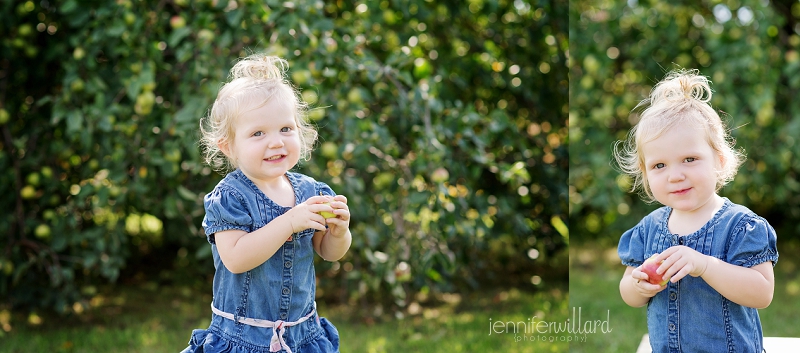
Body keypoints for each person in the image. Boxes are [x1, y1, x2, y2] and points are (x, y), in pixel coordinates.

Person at [182, 54, 351, 353]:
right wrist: (288, 222)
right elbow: (235, 258)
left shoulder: (311, 191)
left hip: (301, 334)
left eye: (285, 129)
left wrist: (338, 233)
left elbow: (328, 253)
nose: (276, 142)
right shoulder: (231, 196)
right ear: (229, 146)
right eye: (258, 133)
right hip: (244, 337)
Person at [614, 69, 778, 352]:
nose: (675, 175)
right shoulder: (648, 228)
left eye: (689, 159)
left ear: (720, 159)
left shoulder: (741, 225)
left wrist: (704, 265)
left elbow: (762, 292)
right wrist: (639, 286)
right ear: (645, 173)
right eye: (659, 165)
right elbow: (628, 291)